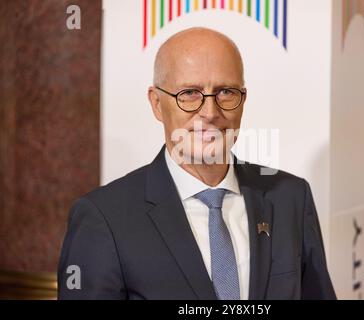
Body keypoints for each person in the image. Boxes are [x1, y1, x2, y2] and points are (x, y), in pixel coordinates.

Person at [58, 27, 336, 300]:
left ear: (243, 100)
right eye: (189, 93)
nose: (210, 112)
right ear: (156, 103)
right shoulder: (104, 218)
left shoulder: (291, 198)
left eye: (226, 92)